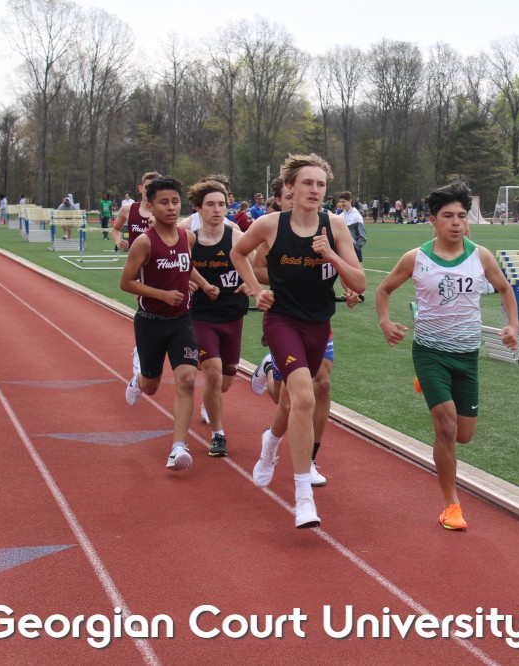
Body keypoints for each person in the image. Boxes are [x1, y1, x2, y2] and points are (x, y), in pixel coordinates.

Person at [230, 153, 365, 529]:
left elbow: (359, 282)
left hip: (318, 324)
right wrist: (257, 289)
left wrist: (331, 256)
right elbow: (238, 253)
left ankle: (270, 443)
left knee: (291, 401)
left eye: (321, 184)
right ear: (290, 187)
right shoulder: (270, 225)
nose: (315, 190)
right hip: (282, 321)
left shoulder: (335, 226)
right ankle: (304, 497)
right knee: (305, 396)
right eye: (307, 183)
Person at [376, 181, 519, 531]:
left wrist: (513, 325)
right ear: (433, 220)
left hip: (466, 356)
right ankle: (451, 505)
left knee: (464, 435)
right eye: (448, 216)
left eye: (461, 216)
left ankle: (426, 385)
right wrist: (385, 322)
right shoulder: (417, 258)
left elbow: (504, 288)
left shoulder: (481, 256)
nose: (456, 222)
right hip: (430, 353)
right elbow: (383, 290)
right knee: (447, 425)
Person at [119, 176, 218, 471]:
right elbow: (126, 282)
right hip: (150, 322)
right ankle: (139, 379)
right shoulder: (144, 242)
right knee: (151, 386)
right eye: (164, 202)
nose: (172, 207)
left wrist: (204, 284)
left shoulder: (188, 238)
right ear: (150, 206)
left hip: (182, 322)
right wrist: (162, 294)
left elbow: (186, 268)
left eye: (175, 201)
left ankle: (177, 448)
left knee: (186, 380)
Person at [186, 178, 251, 457]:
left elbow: (258, 267)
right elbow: (174, 266)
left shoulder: (236, 236)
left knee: (225, 382)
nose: (216, 209)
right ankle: (218, 435)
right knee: (212, 372)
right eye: (210, 204)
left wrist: (250, 284)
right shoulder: (189, 238)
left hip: (233, 315)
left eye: (221, 204)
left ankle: (209, 402)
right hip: (201, 315)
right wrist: (186, 281)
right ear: (199, 208)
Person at [112, 172, 160, 252]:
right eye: (148, 187)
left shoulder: (163, 212)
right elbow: (115, 229)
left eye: (155, 188)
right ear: (140, 188)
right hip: (134, 258)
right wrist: (118, 241)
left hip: (157, 257)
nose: (151, 191)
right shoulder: (128, 209)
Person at [337, 191, 366, 267]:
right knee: (342, 273)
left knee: (358, 274)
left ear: (350, 201)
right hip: (341, 251)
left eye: (344, 202)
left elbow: (362, 238)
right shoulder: (339, 217)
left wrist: (354, 246)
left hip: (355, 252)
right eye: (340, 202)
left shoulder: (357, 216)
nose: (341, 204)